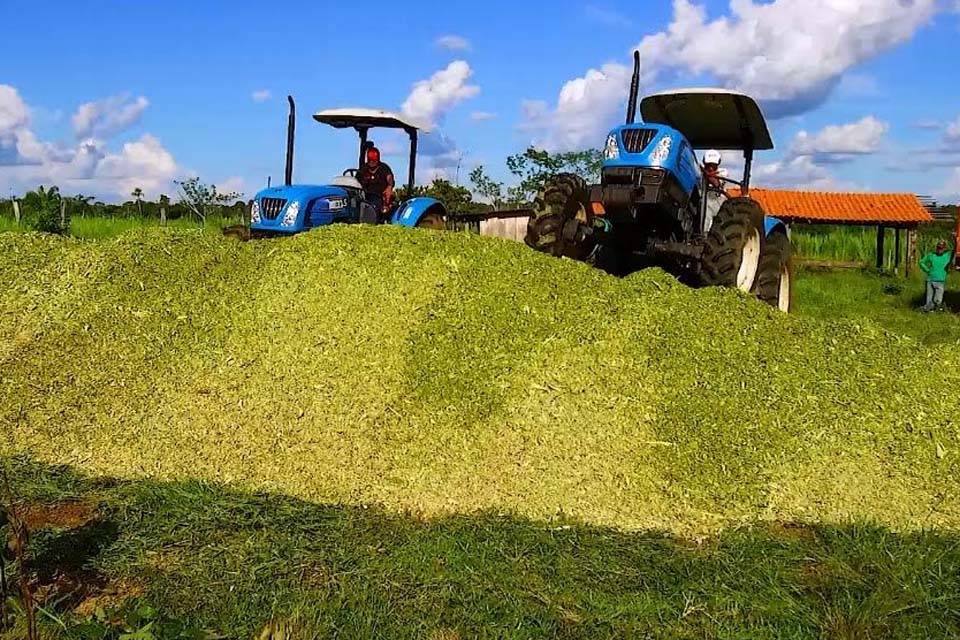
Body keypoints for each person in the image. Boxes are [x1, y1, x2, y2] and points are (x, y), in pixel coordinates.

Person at [357, 147, 395, 218]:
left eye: (374, 160)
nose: (372, 162)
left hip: (379, 197)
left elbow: (389, 178)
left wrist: (389, 186)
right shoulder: (363, 169)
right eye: (370, 160)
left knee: (375, 204)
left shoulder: (384, 168)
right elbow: (357, 181)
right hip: (365, 195)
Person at [920, 240, 954, 312]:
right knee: (929, 298)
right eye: (938, 248)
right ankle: (928, 310)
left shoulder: (947, 255)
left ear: (944, 249)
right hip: (930, 280)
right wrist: (927, 270)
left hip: (940, 280)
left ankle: (936, 310)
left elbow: (955, 250)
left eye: (941, 248)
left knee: (938, 299)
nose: (939, 250)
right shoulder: (931, 255)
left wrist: (954, 239)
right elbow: (921, 262)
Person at [702, 149, 726, 233]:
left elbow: (716, 183)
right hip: (703, 201)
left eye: (714, 165)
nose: (711, 168)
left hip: (718, 204)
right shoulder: (700, 173)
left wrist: (704, 172)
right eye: (708, 165)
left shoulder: (723, 173)